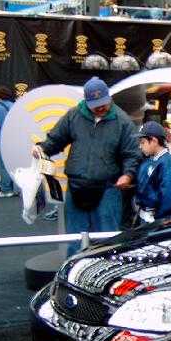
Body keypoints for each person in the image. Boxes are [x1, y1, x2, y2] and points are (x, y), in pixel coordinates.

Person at [32, 76, 140, 255]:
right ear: (86, 101)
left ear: (109, 97)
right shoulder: (73, 115)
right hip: (76, 187)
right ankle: (74, 269)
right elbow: (56, 139)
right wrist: (42, 148)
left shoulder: (122, 121)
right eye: (95, 105)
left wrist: (127, 175)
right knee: (75, 241)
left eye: (103, 103)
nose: (100, 108)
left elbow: (132, 154)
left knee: (108, 241)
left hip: (108, 188)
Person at [134, 121, 171, 224]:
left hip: (155, 218)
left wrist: (161, 217)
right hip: (144, 214)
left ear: (154, 141)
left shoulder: (167, 163)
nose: (140, 146)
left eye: (142, 142)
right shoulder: (150, 160)